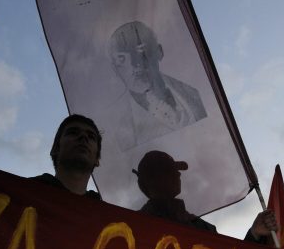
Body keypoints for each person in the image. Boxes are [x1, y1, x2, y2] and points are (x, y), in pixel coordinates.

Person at [109, 21, 207, 151]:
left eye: (140, 51)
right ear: (115, 68)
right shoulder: (115, 125)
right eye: (122, 59)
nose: (134, 64)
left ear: (159, 52)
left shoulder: (196, 94)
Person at [133, 150, 215, 232]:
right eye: (169, 170)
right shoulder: (135, 225)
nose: (178, 174)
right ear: (151, 180)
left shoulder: (203, 227)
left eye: (175, 170)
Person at [31, 114, 102, 200]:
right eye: (73, 132)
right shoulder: (23, 192)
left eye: (91, 137)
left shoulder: (106, 212)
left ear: (97, 159)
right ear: (55, 149)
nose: (84, 137)